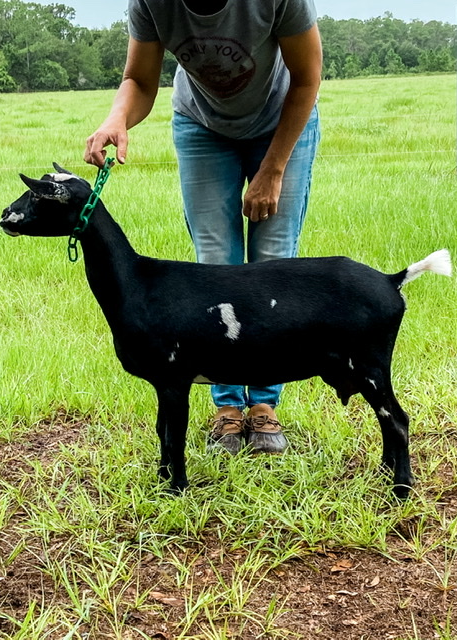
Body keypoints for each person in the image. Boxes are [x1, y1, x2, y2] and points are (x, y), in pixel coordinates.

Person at [84, 0, 322, 456]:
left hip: (282, 120)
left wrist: (273, 170)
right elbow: (138, 79)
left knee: (272, 266)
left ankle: (264, 404)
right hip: (202, 125)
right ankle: (228, 407)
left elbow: (308, 76)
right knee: (213, 266)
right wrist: (116, 117)